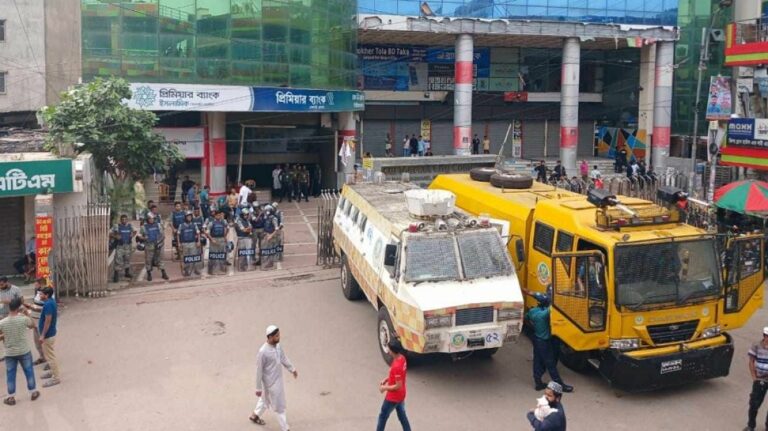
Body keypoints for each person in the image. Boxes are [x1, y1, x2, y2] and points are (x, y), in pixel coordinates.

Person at [250, 325, 298, 431]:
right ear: (270, 337)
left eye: (279, 335)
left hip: (277, 380)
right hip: (271, 383)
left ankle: (255, 415)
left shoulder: (278, 346)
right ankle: (285, 428)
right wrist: (258, 388)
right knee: (279, 405)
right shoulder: (262, 352)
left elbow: (283, 358)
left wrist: (292, 369)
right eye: (276, 336)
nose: (279, 337)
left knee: (264, 399)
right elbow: (259, 371)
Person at [525, 292, 573, 393]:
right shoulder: (544, 314)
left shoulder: (533, 311)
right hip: (544, 342)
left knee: (537, 362)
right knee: (551, 364)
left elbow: (526, 318)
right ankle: (561, 385)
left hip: (536, 339)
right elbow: (554, 306)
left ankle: (538, 383)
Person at [0, 297, 40, 405]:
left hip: (9, 353)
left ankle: (11, 397)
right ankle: (33, 392)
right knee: (29, 371)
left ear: (9, 308)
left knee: (11, 375)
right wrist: (27, 313)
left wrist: (5, 336)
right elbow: (33, 325)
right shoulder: (23, 319)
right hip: (24, 351)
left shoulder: (2, 322)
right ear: (18, 308)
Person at [376, 338, 412, 431]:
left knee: (383, 416)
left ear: (393, 351)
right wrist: (387, 379)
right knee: (402, 415)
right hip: (401, 394)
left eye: (389, 349)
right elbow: (398, 377)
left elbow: (397, 385)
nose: (388, 350)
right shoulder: (402, 358)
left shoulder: (396, 367)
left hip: (393, 397)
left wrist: (384, 388)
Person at [746, 327, 768, 431]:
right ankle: (751, 426)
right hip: (760, 379)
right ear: (764, 336)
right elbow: (751, 361)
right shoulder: (756, 346)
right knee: (754, 404)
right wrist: (754, 378)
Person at [37, 287, 59, 387]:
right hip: (49, 334)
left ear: (46, 295)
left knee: (50, 357)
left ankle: (56, 378)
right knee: (49, 355)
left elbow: (47, 322)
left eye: (41, 294)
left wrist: (42, 335)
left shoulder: (49, 304)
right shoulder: (49, 302)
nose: (39, 296)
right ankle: (52, 372)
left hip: (48, 335)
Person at [23, 278, 48, 366]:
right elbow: (36, 305)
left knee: (44, 342)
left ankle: (49, 361)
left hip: (42, 321)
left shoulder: (47, 295)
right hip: (35, 321)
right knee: (37, 341)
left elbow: (47, 308)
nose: (35, 286)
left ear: (41, 284)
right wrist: (30, 307)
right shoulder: (38, 293)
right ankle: (42, 357)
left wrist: (32, 307)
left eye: (36, 284)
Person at [138, 213, 169, 282]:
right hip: (149, 245)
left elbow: (162, 235)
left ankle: (163, 273)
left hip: (158, 245)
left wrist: (160, 242)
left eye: (152, 218)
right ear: (147, 219)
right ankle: (149, 273)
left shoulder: (158, 225)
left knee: (160, 259)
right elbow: (139, 236)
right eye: (149, 218)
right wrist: (143, 238)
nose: (151, 220)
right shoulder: (143, 227)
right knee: (148, 260)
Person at [0, 276, 23, 361]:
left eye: (2, 284)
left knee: (14, 333)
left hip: (13, 315)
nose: (0, 286)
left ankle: (19, 353)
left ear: (7, 282)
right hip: (2, 315)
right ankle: (8, 353)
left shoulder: (16, 289)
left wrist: (10, 301)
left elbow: (22, 301)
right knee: (4, 336)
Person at [111, 214, 136, 282]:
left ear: (127, 220)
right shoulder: (117, 226)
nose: (124, 221)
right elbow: (110, 233)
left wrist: (132, 235)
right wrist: (116, 236)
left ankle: (127, 273)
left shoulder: (130, 226)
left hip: (128, 245)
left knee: (127, 259)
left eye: (125, 219)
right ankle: (116, 275)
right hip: (120, 246)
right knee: (118, 260)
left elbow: (135, 231)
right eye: (122, 219)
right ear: (120, 220)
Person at [205, 210, 230, 275]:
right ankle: (211, 270)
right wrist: (211, 239)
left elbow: (228, 228)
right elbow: (207, 232)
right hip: (214, 240)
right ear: (215, 216)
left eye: (220, 215)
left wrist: (225, 236)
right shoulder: (211, 222)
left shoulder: (223, 221)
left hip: (221, 239)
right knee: (214, 255)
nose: (219, 216)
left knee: (222, 254)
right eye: (217, 215)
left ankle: (222, 268)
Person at [178, 211, 201, 277]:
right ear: (185, 217)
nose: (189, 218)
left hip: (192, 243)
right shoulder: (181, 225)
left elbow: (198, 233)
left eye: (190, 216)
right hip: (184, 244)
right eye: (188, 216)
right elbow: (178, 234)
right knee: (186, 257)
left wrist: (198, 241)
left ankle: (196, 269)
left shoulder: (194, 225)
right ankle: (186, 270)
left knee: (194, 257)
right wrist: (179, 243)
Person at [260, 205, 281, 270]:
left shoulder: (273, 218)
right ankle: (268, 262)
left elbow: (277, 229)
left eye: (266, 211)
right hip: (266, 234)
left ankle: (271, 263)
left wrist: (271, 235)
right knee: (266, 249)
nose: (265, 212)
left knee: (271, 250)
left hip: (271, 236)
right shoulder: (266, 217)